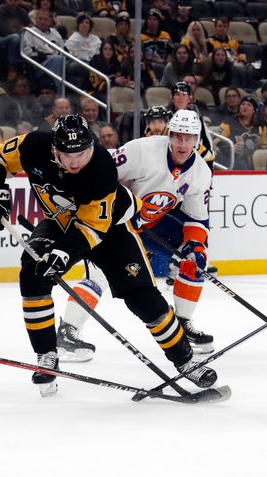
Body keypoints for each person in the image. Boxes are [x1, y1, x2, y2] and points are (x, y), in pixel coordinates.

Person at [0, 114, 218, 395]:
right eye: (67, 154)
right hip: (59, 222)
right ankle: (46, 356)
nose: (75, 161)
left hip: (111, 229)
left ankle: (186, 361)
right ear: (54, 148)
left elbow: (92, 229)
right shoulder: (33, 145)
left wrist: (64, 253)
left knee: (143, 297)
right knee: (32, 273)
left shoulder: (101, 168)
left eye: (81, 152)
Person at [55, 109, 215, 360]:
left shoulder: (201, 173)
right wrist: (115, 210)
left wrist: (195, 245)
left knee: (196, 258)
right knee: (99, 275)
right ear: (169, 134)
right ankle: (68, 331)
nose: (182, 143)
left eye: (188, 138)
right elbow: (100, 171)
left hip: (151, 224)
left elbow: (197, 218)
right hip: (113, 221)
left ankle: (182, 325)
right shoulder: (142, 151)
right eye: (177, 136)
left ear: (197, 140)